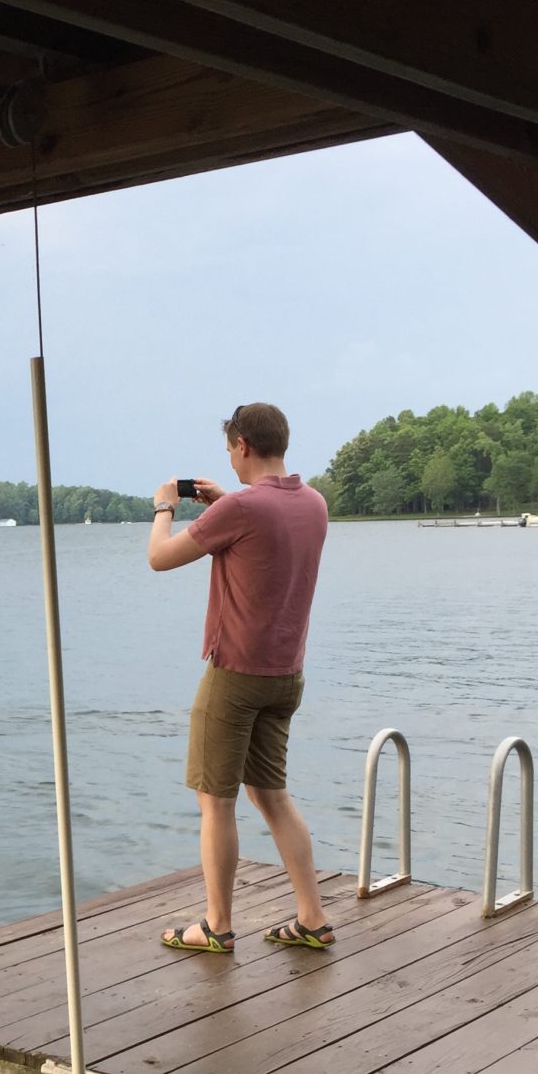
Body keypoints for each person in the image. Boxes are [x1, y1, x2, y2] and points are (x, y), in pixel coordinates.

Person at [147, 402, 331, 954]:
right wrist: (227, 502)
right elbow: (266, 527)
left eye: (230, 449)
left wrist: (163, 505)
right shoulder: (314, 503)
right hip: (286, 673)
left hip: (234, 674)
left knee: (215, 800)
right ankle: (311, 917)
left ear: (242, 446)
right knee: (271, 793)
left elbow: (159, 558)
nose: (229, 459)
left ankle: (217, 925)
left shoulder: (243, 509)